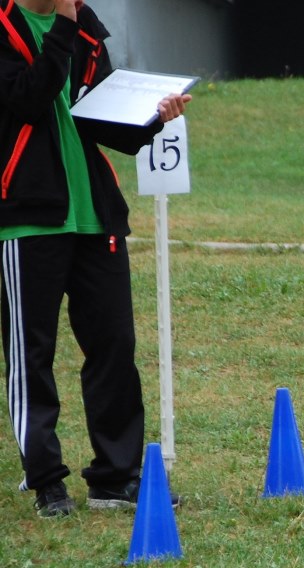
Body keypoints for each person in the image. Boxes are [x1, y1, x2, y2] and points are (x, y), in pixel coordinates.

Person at [0, 0, 191, 516]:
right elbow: (28, 99)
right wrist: (64, 26)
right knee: (31, 354)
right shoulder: (8, 26)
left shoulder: (85, 27)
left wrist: (154, 118)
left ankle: (115, 478)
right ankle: (46, 481)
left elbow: (105, 123)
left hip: (95, 217)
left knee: (114, 346)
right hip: (27, 218)